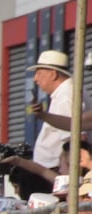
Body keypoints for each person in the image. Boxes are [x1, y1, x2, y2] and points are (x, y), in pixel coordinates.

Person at [27, 50, 74, 183]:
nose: (35, 79)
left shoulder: (66, 96)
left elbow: (73, 137)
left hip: (57, 172)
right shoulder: (63, 94)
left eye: (39, 73)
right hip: (54, 171)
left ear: (53, 74)